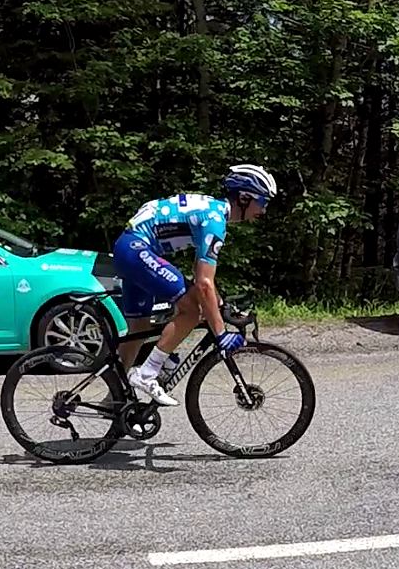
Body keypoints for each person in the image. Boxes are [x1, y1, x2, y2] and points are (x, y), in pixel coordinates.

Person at [112, 164, 277, 406]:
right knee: (192, 310)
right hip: (137, 249)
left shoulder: (211, 211)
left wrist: (219, 304)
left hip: (130, 248)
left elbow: (202, 276)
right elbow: (203, 283)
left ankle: (114, 399)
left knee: (139, 329)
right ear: (244, 198)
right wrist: (220, 333)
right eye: (262, 202)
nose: (263, 210)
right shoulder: (214, 221)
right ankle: (147, 374)